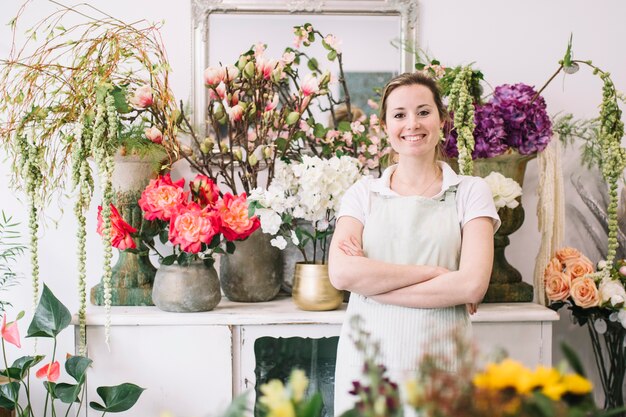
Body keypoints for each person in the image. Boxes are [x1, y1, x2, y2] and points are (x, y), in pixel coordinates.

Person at [329, 71, 500, 414]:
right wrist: (434, 273)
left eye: (423, 112)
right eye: (400, 114)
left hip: (442, 363)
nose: (412, 124)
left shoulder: (470, 192)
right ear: (385, 126)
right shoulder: (363, 194)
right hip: (368, 363)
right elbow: (342, 275)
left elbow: (471, 285)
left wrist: (372, 287)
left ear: (442, 119)